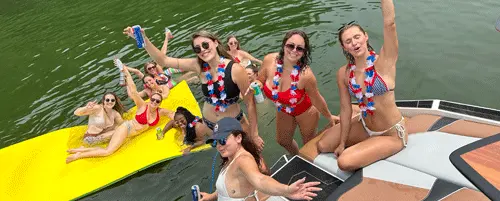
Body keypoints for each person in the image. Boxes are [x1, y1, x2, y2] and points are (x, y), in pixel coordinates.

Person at [122, 27, 263, 151]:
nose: (202, 50)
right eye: (197, 49)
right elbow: (163, 60)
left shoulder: (235, 69)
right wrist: (143, 39)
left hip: (235, 124)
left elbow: (250, 103)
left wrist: (254, 133)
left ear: (215, 42)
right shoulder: (198, 66)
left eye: (205, 44)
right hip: (211, 126)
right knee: (228, 160)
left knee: (254, 158)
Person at [316, 0, 408, 172]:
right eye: (348, 41)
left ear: (365, 36)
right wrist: (342, 143)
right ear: (344, 47)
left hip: (391, 132)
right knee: (323, 145)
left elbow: (390, 24)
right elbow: (345, 109)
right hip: (365, 127)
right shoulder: (344, 73)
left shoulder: (384, 62)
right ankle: (365, 141)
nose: (354, 43)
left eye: (357, 37)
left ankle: (374, 146)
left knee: (344, 162)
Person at [251, 30, 339, 155]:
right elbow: (261, 79)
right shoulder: (269, 60)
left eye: (299, 48)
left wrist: (329, 117)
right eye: (291, 46)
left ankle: (312, 152)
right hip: (283, 108)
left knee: (308, 143)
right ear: (284, 45)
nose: (294, 50)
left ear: (304, 52)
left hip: (305, 110)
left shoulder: (305, 75)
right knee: (283, 140)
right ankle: (298, 156)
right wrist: (257, 85)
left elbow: (316, 99)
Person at [66, 62, 174, 163]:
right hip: (126, 129)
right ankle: (78, 156)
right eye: (152, 100)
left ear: (160, 103)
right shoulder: (142, 106)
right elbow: (133, 90)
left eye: (157, 101)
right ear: (149, 100)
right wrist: (126, 72)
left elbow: (173, 114)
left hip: (128, 133)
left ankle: (82, 150)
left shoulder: (161, 111)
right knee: (108, 151)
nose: (154, 102)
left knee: (108, 148)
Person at [200, 117, 322, 201]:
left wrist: (286, 190)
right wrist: (212, 197)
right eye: (215, 143)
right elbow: (231, 188)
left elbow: (260, 180)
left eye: (222, 140)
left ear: (238, 138)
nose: (219, 146)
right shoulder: (230, 157)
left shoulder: (242, 160)